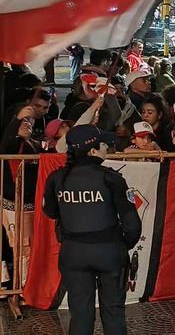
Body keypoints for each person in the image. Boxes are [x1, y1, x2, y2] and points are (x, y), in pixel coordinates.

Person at [42, 125, 141, 335]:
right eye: (104, 144)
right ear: (93, 151)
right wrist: (122, 246)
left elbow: (50, 211)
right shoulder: (111, 178)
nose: (107, 148)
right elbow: (132, 223)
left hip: (73, 252)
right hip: (109, 252)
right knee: (113, 312)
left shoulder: (57, 178)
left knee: (80, 314)